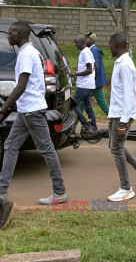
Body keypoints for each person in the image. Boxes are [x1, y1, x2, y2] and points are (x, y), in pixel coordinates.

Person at [0, 22, 68, 229]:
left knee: (46, 149)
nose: (8, 36)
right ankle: (2, 191)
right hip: (26, 110)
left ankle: (59, 192)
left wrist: (3, 109)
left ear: (20, 34)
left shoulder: (27, 54)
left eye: (11, 33)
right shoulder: (30, 51)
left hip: (31, 110)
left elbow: (21, 85)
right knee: (10, 146)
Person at [107, 32, 136, 201]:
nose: (109, 48)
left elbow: (129, 96)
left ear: (116, 45)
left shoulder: (126, 65)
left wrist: (122, 122)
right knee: (113, 146)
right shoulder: (120, 63)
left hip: (122, 115)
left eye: (110, 45)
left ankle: (126, 188)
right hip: (117, 113)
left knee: (116, 148)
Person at [78, 32, 109, 120]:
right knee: (81, 104)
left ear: (92, 40)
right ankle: (73, 126)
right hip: (93, 83)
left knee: (102, 104)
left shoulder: (93, 51)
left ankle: (116, 122)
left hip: (95, 83)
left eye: (87, 39)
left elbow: (95, 68)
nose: (85, 40)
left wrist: (90, 81)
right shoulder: (91, 50)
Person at [72, 35, 97, 135]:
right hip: (89, 84)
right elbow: (96, 66)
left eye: (76, 42)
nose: (75, 45)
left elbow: (90, 70)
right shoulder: (88, 52)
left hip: (84, 85)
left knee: (72, 105)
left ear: (83, 42)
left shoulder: (85, 52)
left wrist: (74, 74)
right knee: (88, 107)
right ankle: (93, 127)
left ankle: (86, 124)